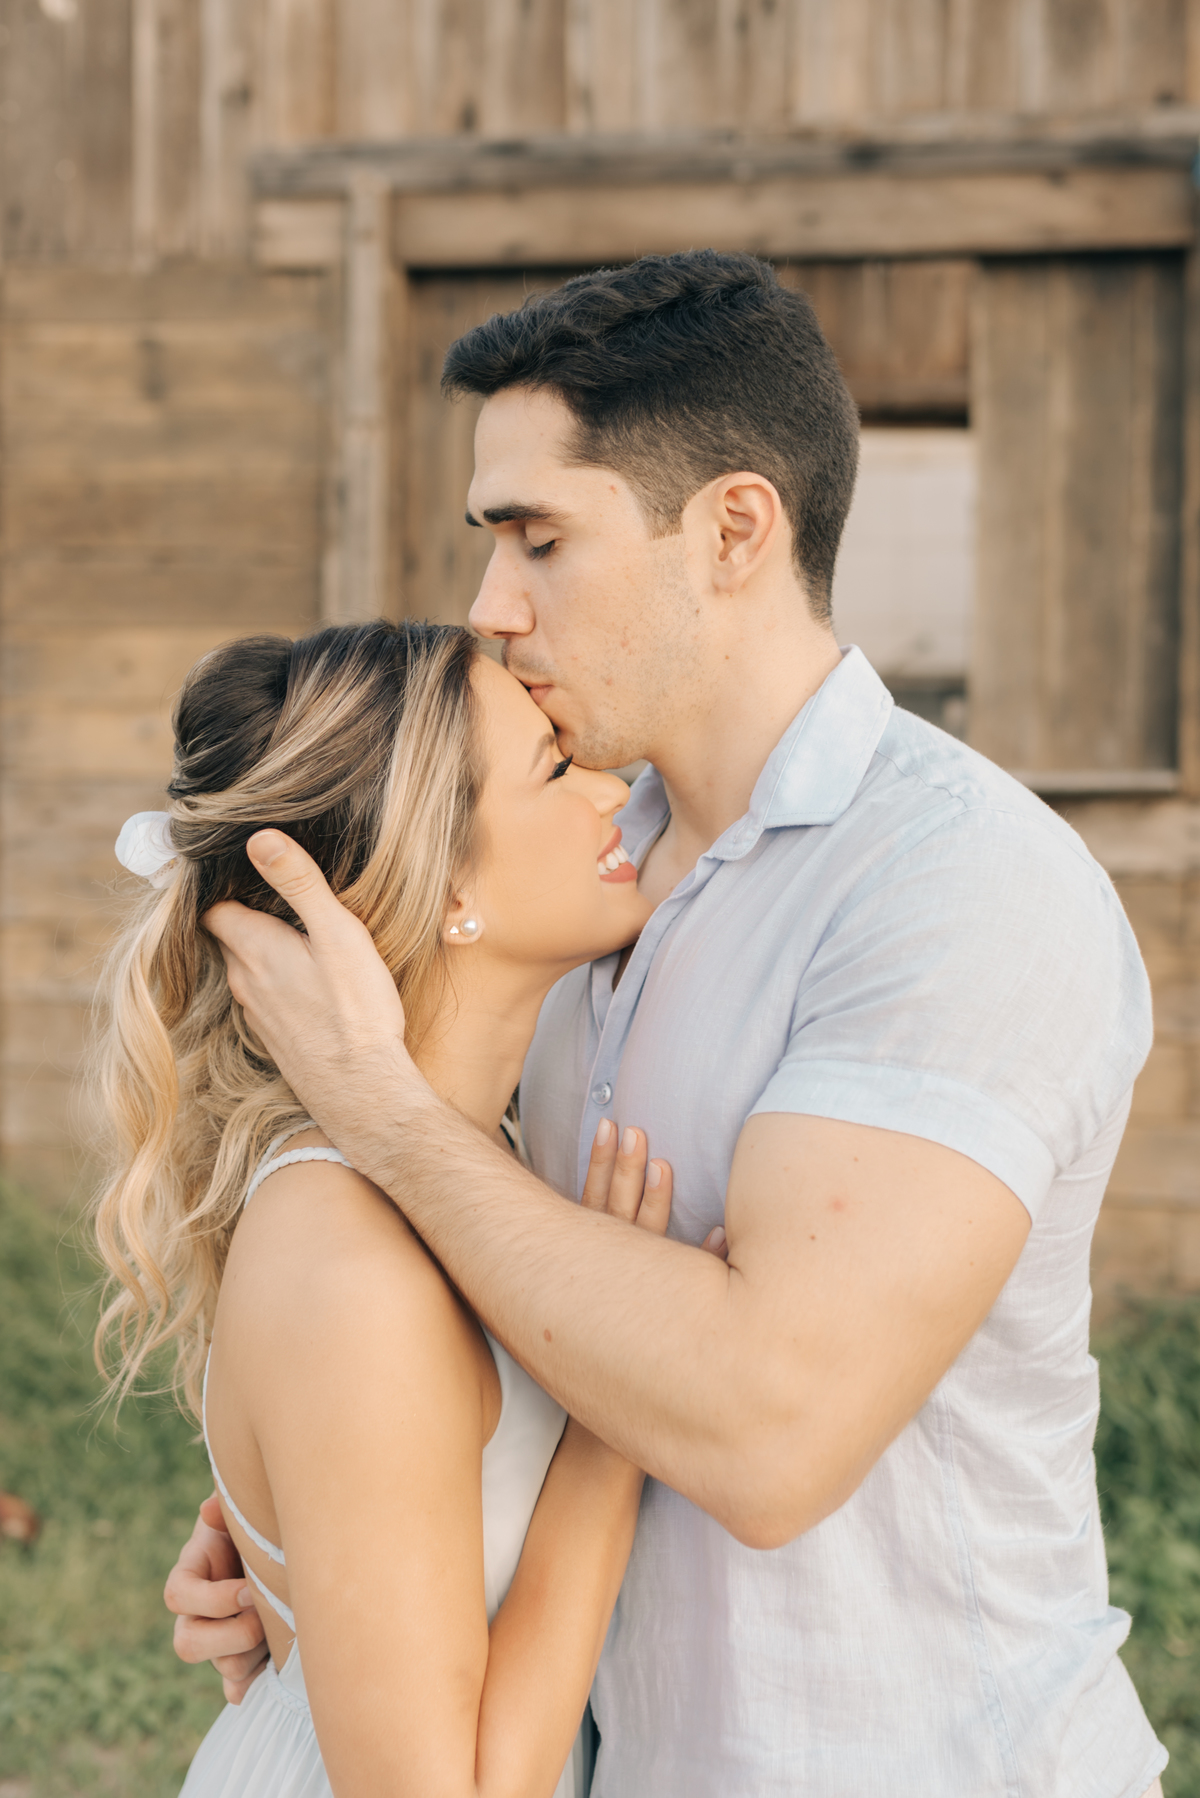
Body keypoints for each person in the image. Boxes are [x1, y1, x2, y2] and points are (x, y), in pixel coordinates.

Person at [168, 252, 1167, 1797]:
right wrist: (328, 1534)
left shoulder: (959, 885)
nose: (494, 609)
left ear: (735, 531)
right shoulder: (583, 880)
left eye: (541, 539)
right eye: (490, 542)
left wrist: (385, 1114)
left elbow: (771, 1431)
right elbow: (486, 1329)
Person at [93, 618, 719, 1797]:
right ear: (445, 888)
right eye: (553, 765)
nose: (615, 787)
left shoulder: (483, 1164)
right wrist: (622, 1406)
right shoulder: (352, 1266)